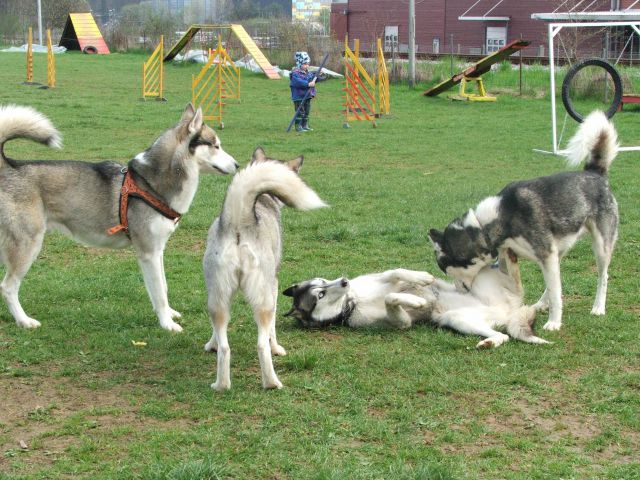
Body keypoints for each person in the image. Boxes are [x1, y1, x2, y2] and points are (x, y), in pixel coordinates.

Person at [289, 51, 317, 132]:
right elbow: (298, 82)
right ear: (299, 63)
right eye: (305, 64)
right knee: (300, 112)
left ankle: (305, 125)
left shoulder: (308, 73)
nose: (307, 65)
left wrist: (319, 77)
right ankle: (298, 127)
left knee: (306, 111)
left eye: (308, 63)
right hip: (298, 96)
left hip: (307, 96)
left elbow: (312, 80)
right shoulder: (295, 73)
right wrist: (308, 84)